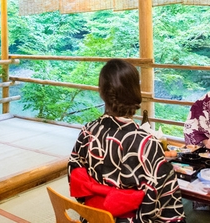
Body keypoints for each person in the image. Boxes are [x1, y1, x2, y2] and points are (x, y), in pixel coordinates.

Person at [68, 59, 186, 223]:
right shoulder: (146, 143)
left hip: (93, 218)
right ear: (135, 92)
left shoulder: (87, 131)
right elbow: (160, 203)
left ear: (102, 93)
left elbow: (74, 174)